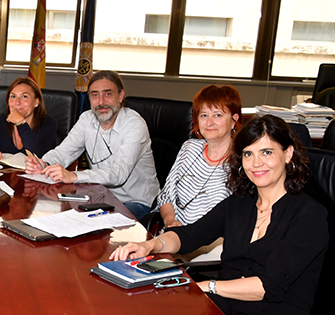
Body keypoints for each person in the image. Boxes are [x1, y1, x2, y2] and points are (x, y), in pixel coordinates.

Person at [110, 115, 328, 314]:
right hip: (223, 304)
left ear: (288, 154)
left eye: (267, 152)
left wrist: (206, 287)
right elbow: (190, 235)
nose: (256, 163)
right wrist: (150, 246)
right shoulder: (239, 204)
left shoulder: (310, 216)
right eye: (248, 154)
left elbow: (265, 287)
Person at [25, 70, 158, 220]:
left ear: (120, 96)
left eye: (107, 94)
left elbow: (117, 174)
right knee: (58, 216)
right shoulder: (87, 119)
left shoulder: (134, 125)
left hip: (136, 202)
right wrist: (44, 163)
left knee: (94, 225)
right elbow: (64, 151)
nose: (101, 101)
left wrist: (74, 176)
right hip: (100, 197)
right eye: (95, 95)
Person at [154, 85, 241, 228]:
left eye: (217, 115)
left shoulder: (242, 160)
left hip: (214, 243)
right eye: (204, 115)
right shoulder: (190, 148)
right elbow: (165, 196)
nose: (209, 122)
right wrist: (170, 221)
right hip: (175, 235)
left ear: (233, 120)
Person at [0, 76, 57, 157]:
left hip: (36, 176)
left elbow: (36, 154)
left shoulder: (48, 123)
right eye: (13, 96)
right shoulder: (1, 121)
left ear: (36, 102)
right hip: (4, 176)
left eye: (24, 96)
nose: (17, 102)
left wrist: (20, 123)